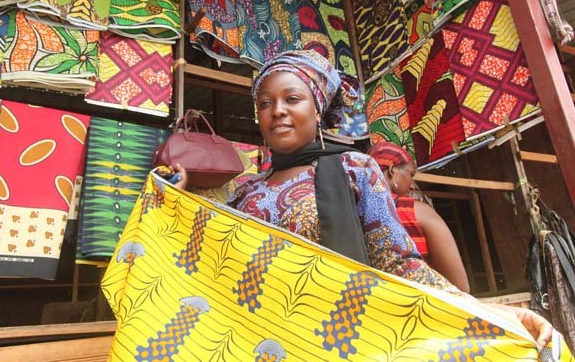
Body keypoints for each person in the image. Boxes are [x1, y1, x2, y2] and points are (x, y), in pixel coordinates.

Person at [166, 49, 552, 347]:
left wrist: (485, 311)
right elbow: (209, 260)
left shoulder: (354, 168)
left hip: (340, 340)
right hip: (261, 342)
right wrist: (174, 200)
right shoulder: (247, 192)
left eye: (292, 99)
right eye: (265, 103)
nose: (277, 111)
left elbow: (394, 260)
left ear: (318, 110)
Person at [368, 141, 471, 293]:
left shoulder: (354, 213)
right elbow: (460, 286)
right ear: (392, 170)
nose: (412, 185)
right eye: (411, 174)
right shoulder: (416, 211)